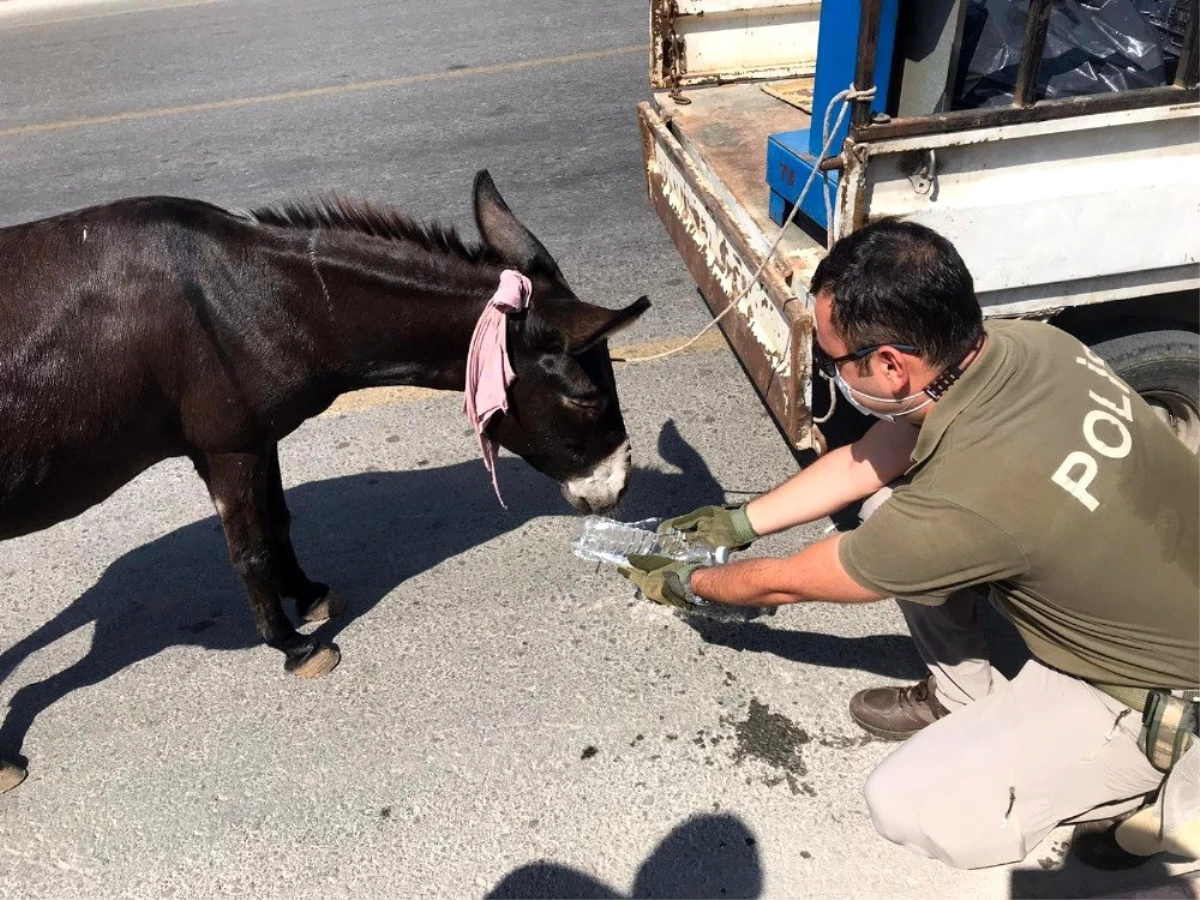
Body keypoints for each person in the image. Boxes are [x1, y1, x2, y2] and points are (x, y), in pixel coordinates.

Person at [619, 218, 1200, 871]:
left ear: (892, 365)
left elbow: (790, 581)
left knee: (909, 802)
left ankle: (1151, 784)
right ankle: (962, 692)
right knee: (884, 503)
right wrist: (739, 524)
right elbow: (877, 453)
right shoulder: (1025, 346)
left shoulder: (964, 504)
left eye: (834, 359)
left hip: (1160, 687)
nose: (831, 371)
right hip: (1163, 570)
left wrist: (690, 582)